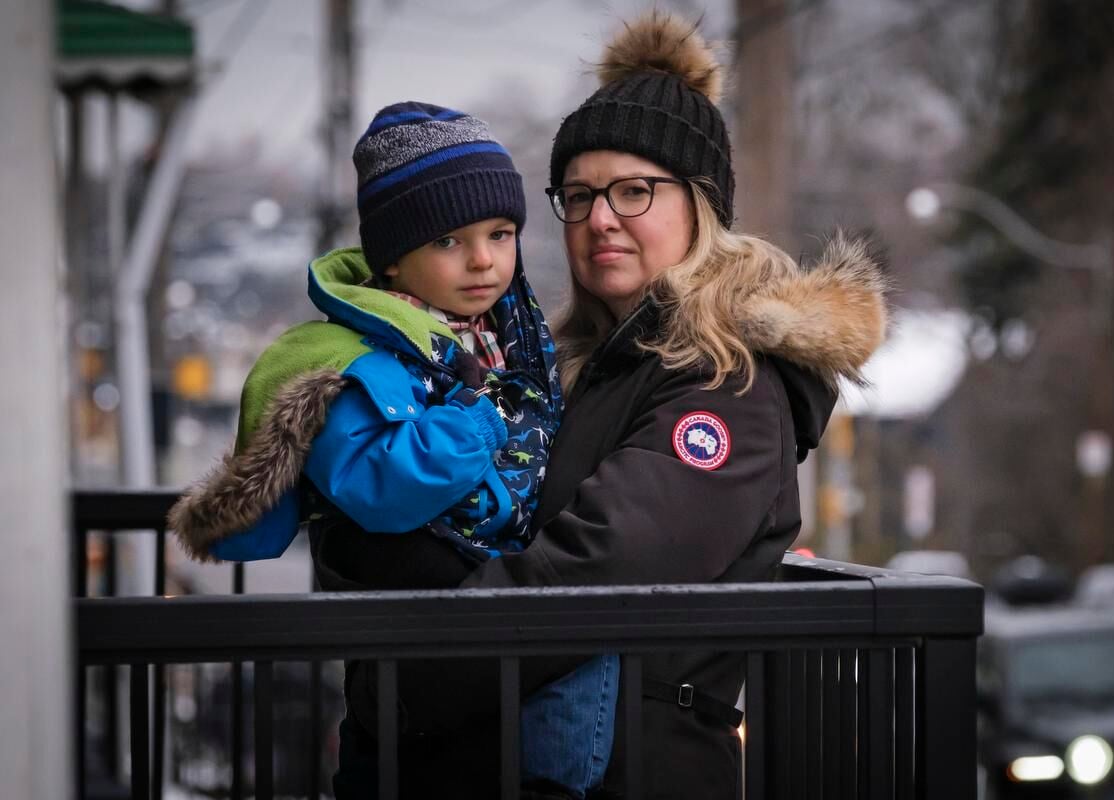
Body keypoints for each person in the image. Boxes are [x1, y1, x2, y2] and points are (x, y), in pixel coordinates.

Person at [389, 12, 889, 798]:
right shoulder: (575, 367)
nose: (599, 219)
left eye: (633, 191)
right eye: (579, 195)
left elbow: (600, 566)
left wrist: (408, 672)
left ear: (699, 204)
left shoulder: (730, 383)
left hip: (639, 772)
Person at [167, 103, 617, 800]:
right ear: (393, 259)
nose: (483, 260)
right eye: (450, 241)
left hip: (494, 617)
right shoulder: (346, 364)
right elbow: (377, 488)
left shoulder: (508, 339)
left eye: (501, 234)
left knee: (579, 661)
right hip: (421, 645)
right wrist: (472, 426)